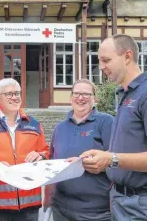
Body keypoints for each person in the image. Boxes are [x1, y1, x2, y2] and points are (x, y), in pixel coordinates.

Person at [80, 34, 147, 220]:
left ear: (127, 56)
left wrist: (112, 159)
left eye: (106, 60)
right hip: (123, 201)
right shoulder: (127, 94)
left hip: (145, 206)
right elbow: (130, 150)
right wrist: (99, 161)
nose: (101, 67)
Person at [0, 78, 50, 221]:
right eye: (9, 94)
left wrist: (40, 155)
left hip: (30, 201)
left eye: (17, 93)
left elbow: (46, 152)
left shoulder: (34, 124)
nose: (15, 97)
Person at [43, 79, 113, 221]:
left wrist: (82, 163)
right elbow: (53, 162)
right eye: (77, 94)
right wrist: (48, 197)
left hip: (96, 211)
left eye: (86, 94)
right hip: (61, 208)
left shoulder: (106, 122)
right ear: (70, 98)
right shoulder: (60, 127)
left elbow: (118, 159)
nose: (81, 98)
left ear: (95, 98)